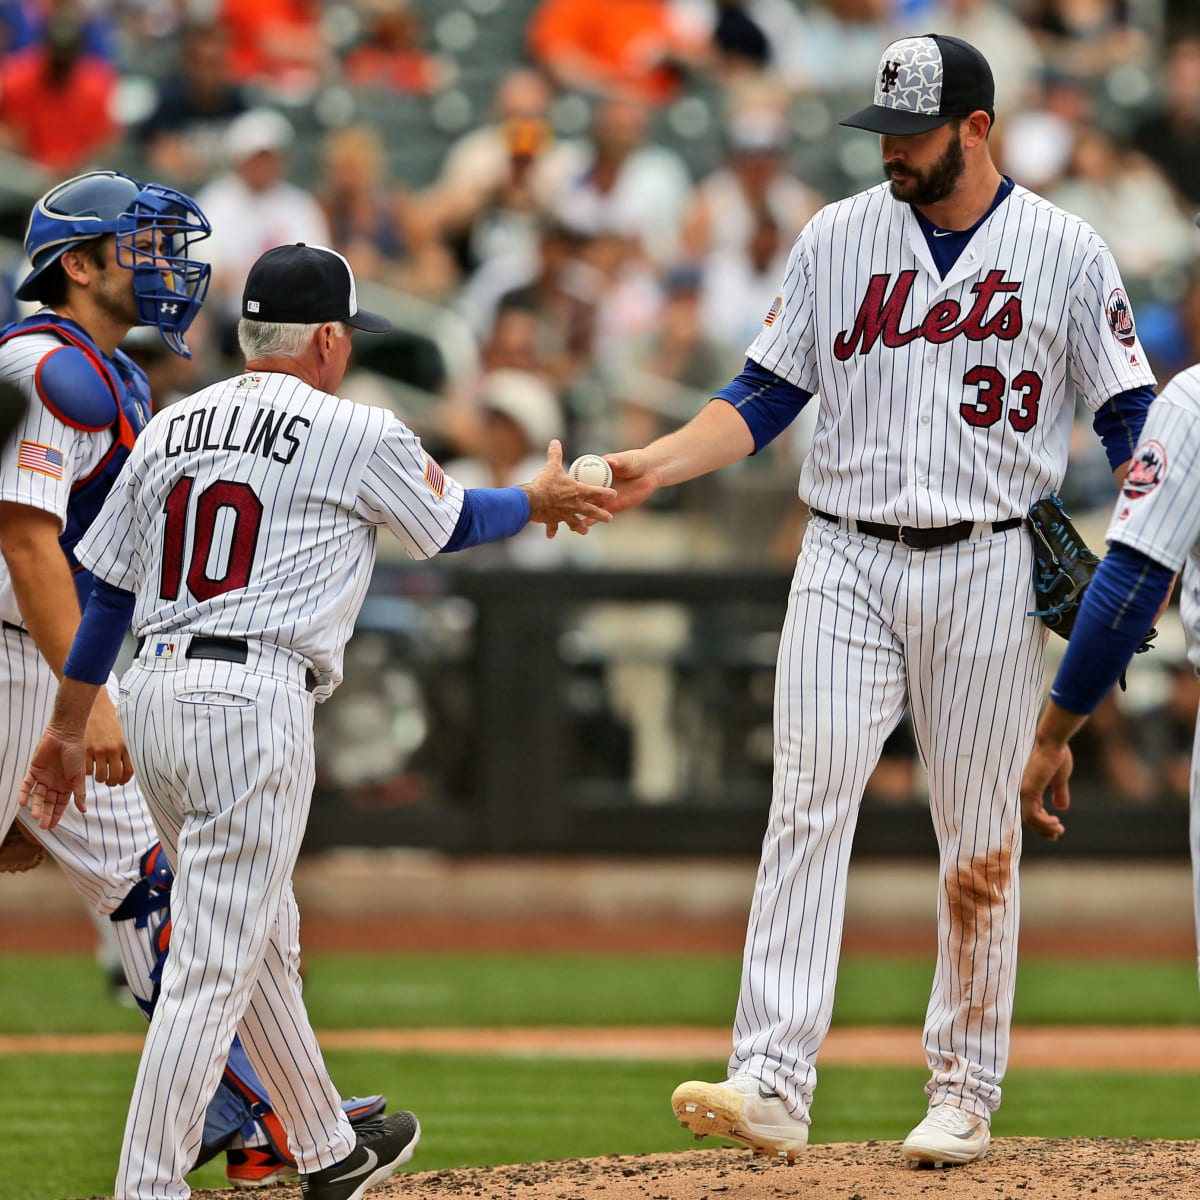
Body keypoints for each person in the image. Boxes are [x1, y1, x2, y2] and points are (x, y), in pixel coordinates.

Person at [599, 33, 1157, 1166]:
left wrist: (1150, 541)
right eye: (885, 130)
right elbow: (759, 397)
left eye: (915, 131)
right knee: (806, 798)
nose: (893, 149)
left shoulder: (1065, 249)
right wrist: (646, 465)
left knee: (977, 835)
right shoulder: (838, 235)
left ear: (978, 129)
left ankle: (964, 1084)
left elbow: (1131, 420)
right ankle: (770, 1074)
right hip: (846, 552)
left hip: (995, 560)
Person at [19, 241, 615, 1200]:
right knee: (215, 964)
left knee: (262, 943)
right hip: (253, 704)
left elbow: (107, 599)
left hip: (156, 692)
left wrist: (67, 724)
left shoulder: (173, 422)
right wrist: (537, 497)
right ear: (329, 339)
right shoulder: (354, 427)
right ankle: (146, 1185)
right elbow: (456, 521)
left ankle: (326, 1148)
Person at [0, 170, 383, 1190]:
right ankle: (271, 1115)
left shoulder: (105, 374)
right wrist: (89, 706)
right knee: (172, 896)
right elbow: (30, 551)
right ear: (77, 267)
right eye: (139, 247)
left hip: (42, 662)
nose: (167, 265)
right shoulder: (46, 367)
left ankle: (275, 1117)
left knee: (156, 891)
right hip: (21, 655)